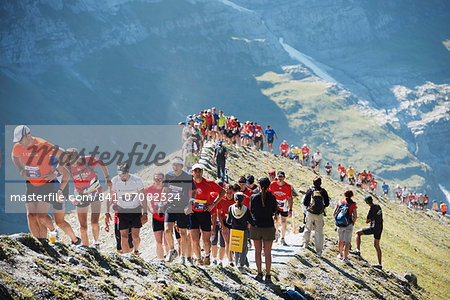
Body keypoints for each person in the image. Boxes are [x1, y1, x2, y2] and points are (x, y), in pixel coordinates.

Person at [11, 125, 80, 244]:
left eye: (21, 140)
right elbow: (14, 156)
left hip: (47, 184)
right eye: (18, 141)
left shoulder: (43, 144)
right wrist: (21, 170)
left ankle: (46, 238)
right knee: (31, 216)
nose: (20, 143)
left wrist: (56, 172)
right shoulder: (18, 147)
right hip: (31, 184)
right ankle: (37, 243)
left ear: (28, 135)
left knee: (40, 216)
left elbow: (64, 155)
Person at [65, 148, 112, 248]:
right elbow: (61, 187)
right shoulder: (67, 167)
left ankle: (96, 243)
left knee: (94, 223)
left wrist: (107, 178)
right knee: (83, 228)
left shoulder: (87, 160)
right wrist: (71, 198)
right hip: (81, 195)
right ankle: (86, 249)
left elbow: (101, 162)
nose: (73, 164)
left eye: (74, 161)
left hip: (94, 192)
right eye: (70, 161)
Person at [106, 162, 147, 256]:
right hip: (122, 211)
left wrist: (145, 213)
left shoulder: (137, 180)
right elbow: (109, 196)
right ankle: (127, 257)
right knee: (123, 236)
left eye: (124, 174)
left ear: (128, 172)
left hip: (135, 210)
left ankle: (136, 251)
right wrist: (107, 212)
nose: (122, 176)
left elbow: (143, 196)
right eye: (120, 174)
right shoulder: (115, 181)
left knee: (135, 236)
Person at [190, 163, 225, 265]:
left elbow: (222, 192)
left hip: (205, 213)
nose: (197, 173)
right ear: (192, 173)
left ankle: (207, 255)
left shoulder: (209, 183)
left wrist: (213, 204)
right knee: (195, 239)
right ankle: (199, 259)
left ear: (202, 172)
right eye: (195, 171)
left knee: (206, 240)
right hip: (193, 214)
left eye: (199, 171)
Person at [163, 157, 196, 264]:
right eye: (173, 165)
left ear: (182, 166)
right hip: (171, 206)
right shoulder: (168, 175)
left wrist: (191, 203)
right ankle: (172, 251)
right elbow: (165, 189)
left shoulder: (188, 177)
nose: (175, 167)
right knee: (167, 230)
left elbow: (194, 191)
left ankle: (183, 256)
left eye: (177, 165)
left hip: (183, 208)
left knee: (183, 233)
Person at [250, 177, 277, 284]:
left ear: (259, 185)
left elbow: (252, 210)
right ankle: (268, 275)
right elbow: (274, 210)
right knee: (268, 252)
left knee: (257, 251)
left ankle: (259, 273)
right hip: (268, 226)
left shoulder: (253, 197)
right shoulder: (272, 198)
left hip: (256, 226)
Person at [301, 176, 330, 256]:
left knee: (308, 228)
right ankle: (319, 250)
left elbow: (305, 202)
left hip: (310, 212)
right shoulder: (323, 191)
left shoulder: (310, 190)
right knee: (319, 232)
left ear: (313, 183)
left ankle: (305, 244)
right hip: (319, 214)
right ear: (321, 183)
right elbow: (327, 203)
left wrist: (309, 207)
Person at [352, 196, 383, 269]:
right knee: (376, 245)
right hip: (380, 227)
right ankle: (379, 264)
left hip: (373, 227)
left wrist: (371, 219)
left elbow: (367, 221)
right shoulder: (378, 206)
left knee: (357, 233)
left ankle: (357, 250)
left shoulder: (371, 209)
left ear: (366, 202)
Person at [226, 192, 255, 270]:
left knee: (236, 248)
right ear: (243, 200)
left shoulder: (230, 208)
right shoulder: (246, 209)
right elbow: (251, 221)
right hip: (243, 230)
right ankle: (241, 265)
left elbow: (228, 221)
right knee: (243, 248)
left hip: (234, 230)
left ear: (234, 199)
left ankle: (236, 264)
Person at [145, 172, 168, 259]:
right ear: (153, 181)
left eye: (160, 179)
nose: (158, 181)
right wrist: (148, 209)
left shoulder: (167, 189)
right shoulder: (149, 189)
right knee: (158, 242)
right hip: (156, 218)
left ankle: (169, 261)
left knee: (167, 242)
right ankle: (160, 260)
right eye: (156, 179)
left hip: (167, 218)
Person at [269, 171, 293, 246]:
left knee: (283, 221)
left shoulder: (288, 186)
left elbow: (290, 198)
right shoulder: (272, 184)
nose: (280, 178)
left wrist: (290, 209)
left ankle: (283, 238)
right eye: (279, 177)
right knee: (275, 220)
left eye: (281, 177)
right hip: (275, 204)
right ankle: (276, 233)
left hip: (284, 204)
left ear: (284, 178)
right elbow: (269, 194)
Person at [333, 190, 357, 264]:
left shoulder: (340, 202)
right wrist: (353, 222)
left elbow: (334, 213)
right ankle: (345, 258)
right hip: (348, 224)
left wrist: (337, 221)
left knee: (340, 240)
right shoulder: (353, 204)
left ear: (344, 195)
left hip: (340, 224)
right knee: (347, 242)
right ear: (352, 196)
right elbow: (355, 216)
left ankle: (340, 254)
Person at [218, 184, 239, 266]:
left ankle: (235, 260)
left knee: (233, 243)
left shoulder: (236, 200)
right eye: (227, 193)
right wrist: (223, 226)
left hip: (234, 223)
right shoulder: (222, 200)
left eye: (230, 192)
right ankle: (229, 261)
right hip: (225, 222)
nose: (229, 195)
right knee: (226, 243)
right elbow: (218, 214)